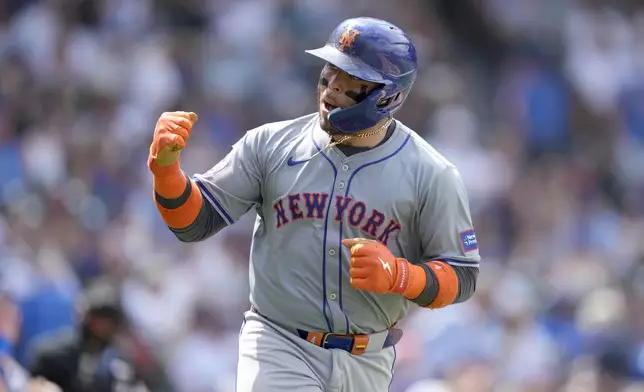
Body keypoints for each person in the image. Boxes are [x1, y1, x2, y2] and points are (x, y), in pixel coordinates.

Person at [148, 17, 480, 392]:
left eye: (351, 78)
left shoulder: (431, 173)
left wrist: (400, 275)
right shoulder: (270, 144)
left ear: (388, 95)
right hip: (279, 341)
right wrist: (167, 174)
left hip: (367, 358)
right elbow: (195, 222)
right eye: (331, 70)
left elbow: (462, 276)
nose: (332, 86)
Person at [27, 280, 148, 392]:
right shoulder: (52, 356)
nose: (104, 326)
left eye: (110, 321)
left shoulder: (119, 367)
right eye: (99, 317)